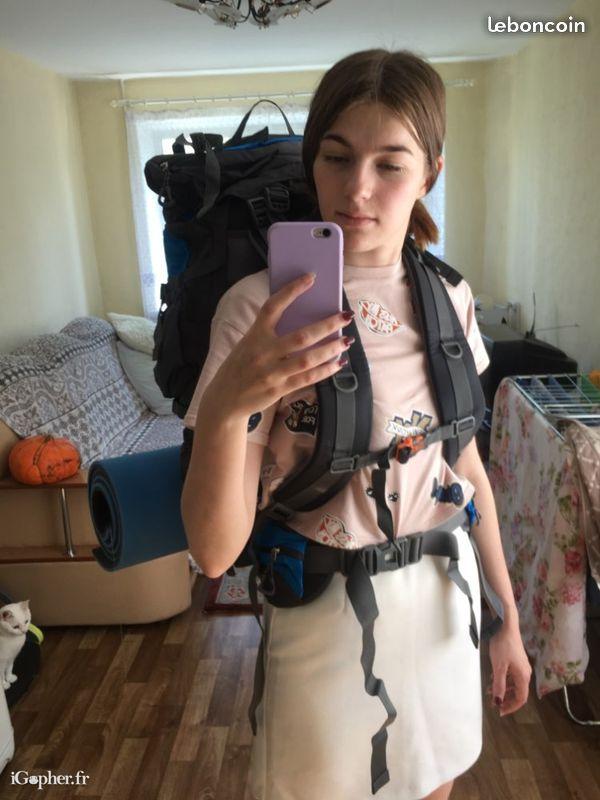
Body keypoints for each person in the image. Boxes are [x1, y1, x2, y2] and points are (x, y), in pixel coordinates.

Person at [181, 48, 532, 800]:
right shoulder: (257, 310)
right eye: (337, 158)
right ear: (313, 162)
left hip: (444, 601)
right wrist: (228, 403)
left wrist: (508, 618)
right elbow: (213, 554)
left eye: (390, 164)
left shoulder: (451, 298)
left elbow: (466, 469)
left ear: (430, 172)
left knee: (433, 782)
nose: (357, 189)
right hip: (322, 616)